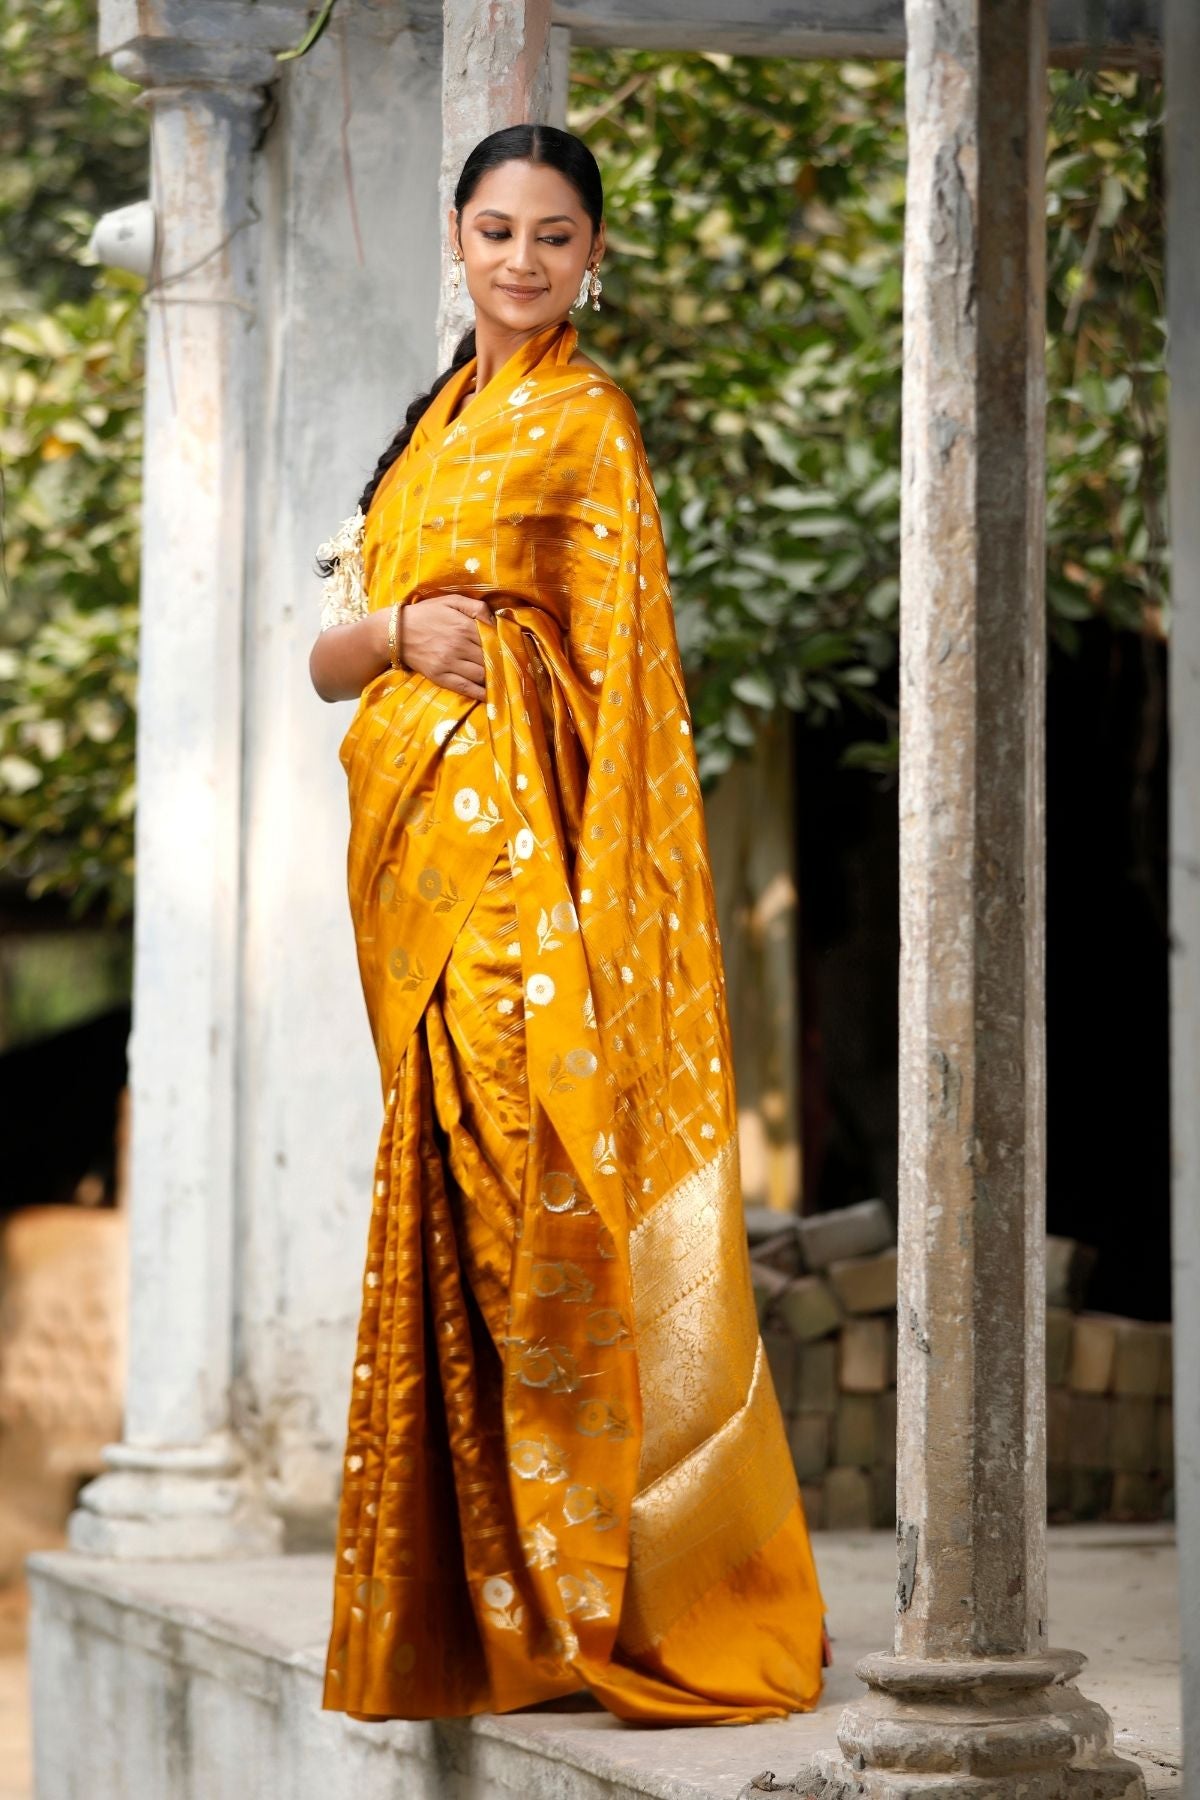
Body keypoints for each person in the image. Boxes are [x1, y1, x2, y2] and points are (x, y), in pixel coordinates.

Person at [310, 122, 825, 1727]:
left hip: (535, 912)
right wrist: (402, 627)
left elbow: (629, 693)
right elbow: (332, 653)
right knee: (459, 1228)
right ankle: (502, 1616)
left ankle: (622, 1587)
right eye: (496, 231)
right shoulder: (430, 434)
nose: (523, 261)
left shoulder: (586, 427)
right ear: (454, 242)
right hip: (418, 904)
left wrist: (610, 923)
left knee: (553, 1231)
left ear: (594, 254)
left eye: (554, 237)